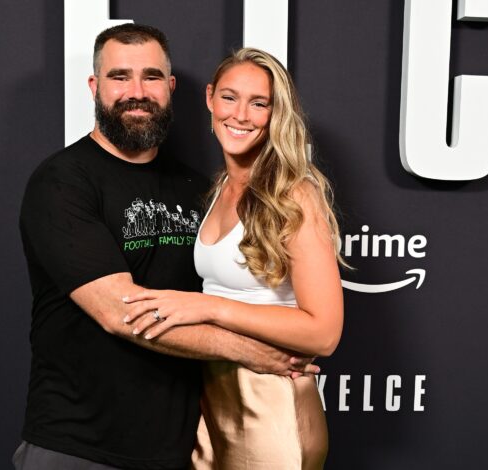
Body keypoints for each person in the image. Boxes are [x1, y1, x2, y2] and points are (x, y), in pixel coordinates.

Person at [15, 25, 319, 470]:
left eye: (152, 77)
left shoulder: (199, 189)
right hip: (78, 446)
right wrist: (250, 351)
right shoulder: (63, 182)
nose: (137, 92)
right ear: (95, 86)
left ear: (171, 87)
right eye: (120, 76)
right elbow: (121, 313)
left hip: (181, 449)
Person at [122, 48, 345, 469]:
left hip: (272, 405)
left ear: (275, 114)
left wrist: (208, 307)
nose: (240, 115)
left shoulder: (295, 195)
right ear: (210, 98)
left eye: (259, 103)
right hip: (213, 402)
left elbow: (324, 333)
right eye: (229, 97)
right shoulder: (220, 187)